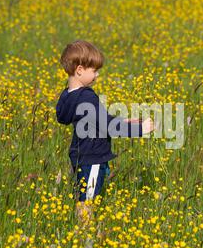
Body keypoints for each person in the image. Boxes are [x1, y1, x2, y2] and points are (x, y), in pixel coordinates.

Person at [56, 40, 154, 221]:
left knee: (83, 195)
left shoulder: (67, 96)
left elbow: (95, 121)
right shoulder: (86, 97)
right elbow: (109, 127)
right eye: (94, 70)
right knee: (87, 201)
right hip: (92, 157)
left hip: (79, 154)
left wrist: (125, 120)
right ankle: (84, 235)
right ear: (79, 70)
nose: (97, 75)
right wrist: (140, 129)